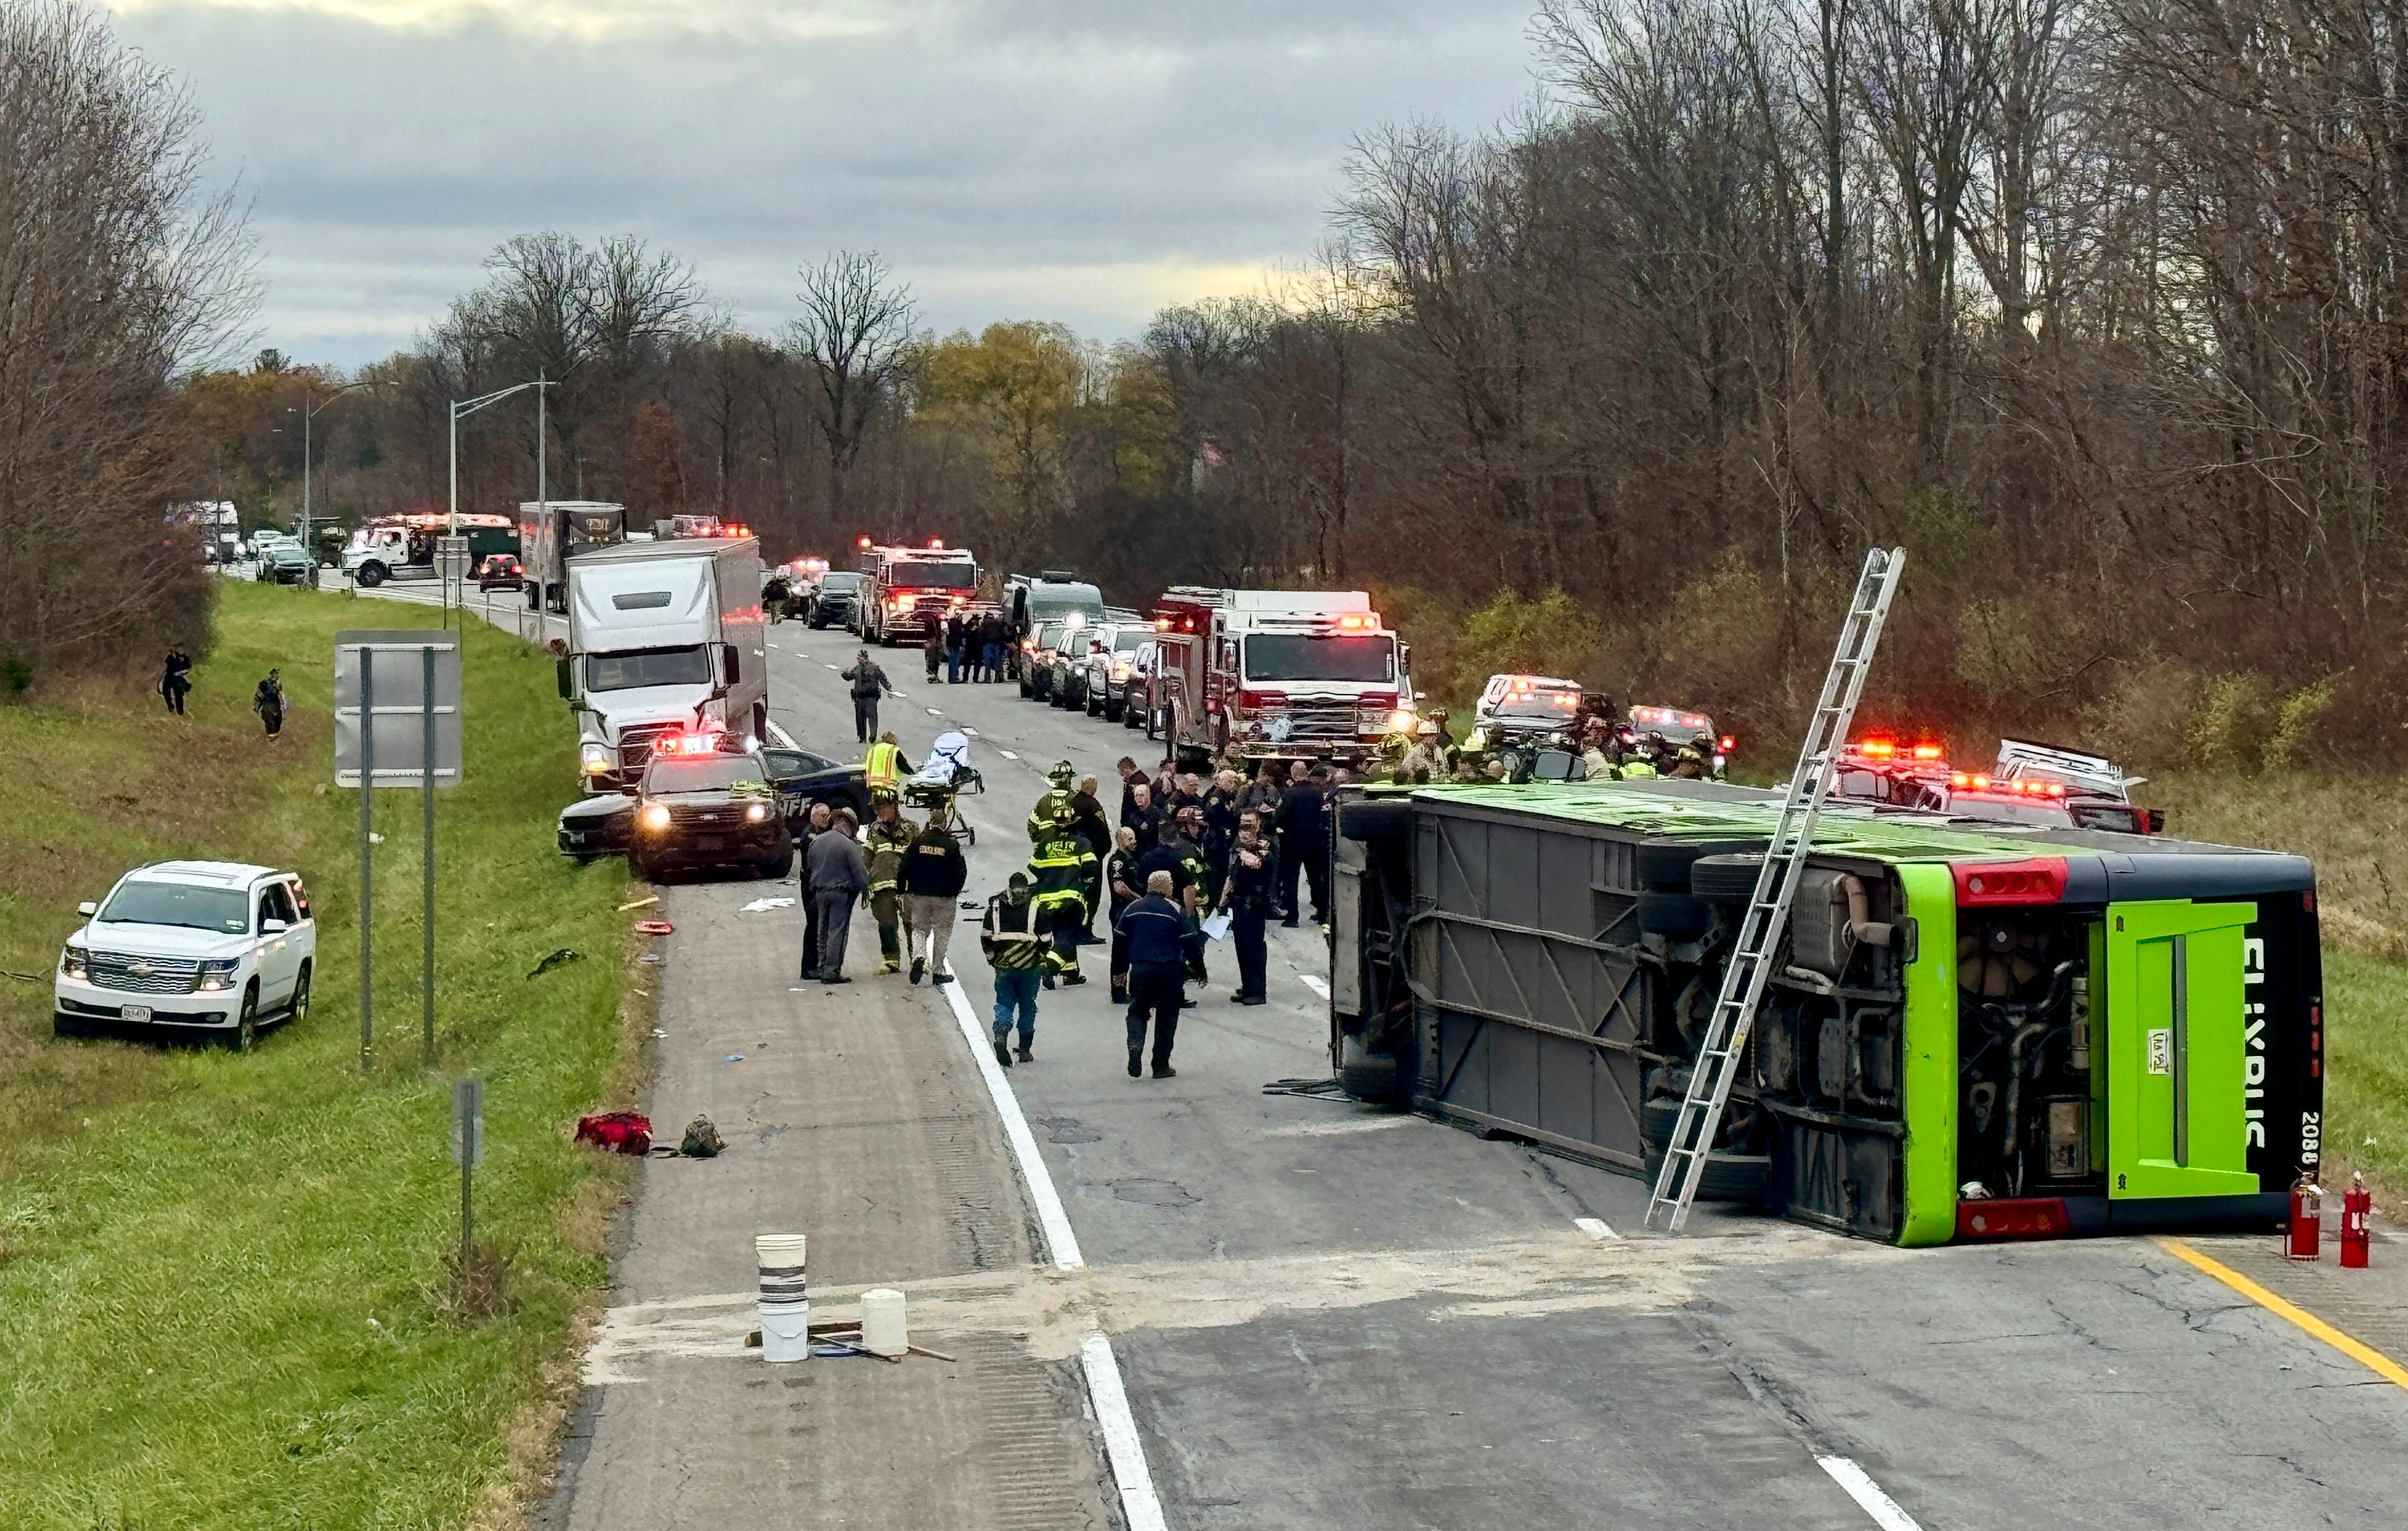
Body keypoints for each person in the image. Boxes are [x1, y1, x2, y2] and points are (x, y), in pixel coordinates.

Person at [1116, 870, 1190, 1079]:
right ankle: (1160, 1066)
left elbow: (1120, 942)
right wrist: (1200, 970)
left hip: (1141, 969)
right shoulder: (1175, 909)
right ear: (1166, 887)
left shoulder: (1132, 909)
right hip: (1169, 971)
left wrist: (1119, 972)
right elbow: (1189, 940)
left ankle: (1136, 1042)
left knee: (1138, 1010)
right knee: (1167, 1017)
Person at [1027, 802, 1096, 985]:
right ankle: (1047, 966)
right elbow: (1092, 867)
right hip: (1070, 899)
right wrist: (1085, 884)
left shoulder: (1045, 843)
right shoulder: (1081, 843)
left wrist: (1051, 877)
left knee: (1060, 934)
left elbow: (1034, 867)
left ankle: (1071, 972)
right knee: (1067, 936)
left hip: (1046, 900)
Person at [981, 872, 1047, 1067]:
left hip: (1004, 967)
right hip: (1030, 968)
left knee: (1004, 1004)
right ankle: (1025, 1051)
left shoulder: (995, 907)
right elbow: (1045, 939)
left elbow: (986, 937)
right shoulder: (1035, 907)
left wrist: (992, 958)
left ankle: (1001, 1035)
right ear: (1026, 887)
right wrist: (1041, 960)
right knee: (1028, 1006)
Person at [900, 805, 968, 984]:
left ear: (929, 823)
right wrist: (955, 891)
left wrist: (902, 890)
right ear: (944, 824)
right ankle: (938, 971)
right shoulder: (952, 845)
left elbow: (904, 866)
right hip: (944, 897)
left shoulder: (916, 843)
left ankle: (919, 956)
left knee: (919, 930)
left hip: (919, 895)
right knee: (942, 933)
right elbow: (961, 871)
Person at [807, 806, 869, 984]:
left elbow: (810, 865)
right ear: (848, 825)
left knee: (822, 930)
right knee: (836, 931)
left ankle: (821, 966)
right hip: (841, 894)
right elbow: (859, 873)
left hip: (820, 892)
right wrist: (865, 889)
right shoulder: (849, 846)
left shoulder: (817, 842)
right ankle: (832, 970)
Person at [1221, 813, 1276, 1005]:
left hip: (1253, 906)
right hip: (1239, 904)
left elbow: (1259, 863)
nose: (1244, 835)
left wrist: (1245, 853)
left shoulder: (1264, 849)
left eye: (1248, 830)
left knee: (1254, 949)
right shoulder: (1240, 848)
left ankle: (1257, 991)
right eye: (1242, 830)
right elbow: (1233, 876)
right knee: (1242, 949)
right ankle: (1248, 987)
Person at [864, 792, 917, 975]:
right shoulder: (873, 829)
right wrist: (865, 881)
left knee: (912, 924)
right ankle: (891, 960)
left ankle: (917, 959)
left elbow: (919, 857)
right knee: (887, 925)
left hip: (907, 886)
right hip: (881, 886)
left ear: (894, 807)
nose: (880, 812)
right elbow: (867, 857)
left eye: (883, 807)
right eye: (877, 809)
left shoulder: (910, 828)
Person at [1276, 764, 1332, 927]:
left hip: (1293, 842)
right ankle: (1322, 914)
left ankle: (1292, 917)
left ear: (1293, 775)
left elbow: (1281, 816)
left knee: (1291, 880)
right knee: (1316, 878)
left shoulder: (1291, 793)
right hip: (1315, 841)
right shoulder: (1318, 792)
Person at [1103, 825, 1144, 1003]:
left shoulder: (1132, 859)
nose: (1134, 842)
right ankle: (1118, 991)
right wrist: (1138, 898)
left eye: (1134, 838)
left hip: (1134, 912)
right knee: (1121, 952)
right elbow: (1119, 887)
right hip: (1122, 913)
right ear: (1120, 841)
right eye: (1129, 839)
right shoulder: (1118, 861)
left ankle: (1136, 989)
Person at [1071, 774, 1113, 939]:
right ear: (1093, 788)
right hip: (1092, 859)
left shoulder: (1072, 803)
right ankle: (1085, 931)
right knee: (1092, 895)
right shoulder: (1092, 806)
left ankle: (1076, 928)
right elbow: (1100, 831)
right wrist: (1103, 850)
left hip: (1075, 858)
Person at [796, 801, 835, 979]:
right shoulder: (809, 835)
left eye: (828, 815)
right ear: (814, 817)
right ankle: (809, 967)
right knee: (814, 926)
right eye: (822, 815)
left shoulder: (826, 833)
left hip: (823, 886)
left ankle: (821, 964)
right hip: (811, 889)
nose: (826, 818)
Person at [842, 649, 895, 742]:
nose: (858, 659)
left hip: (871, 696)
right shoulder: (857, 669)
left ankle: (873, 736)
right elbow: (849, 677)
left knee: (872, 717)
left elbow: (883, 679)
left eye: (859, 657)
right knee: (860, 718)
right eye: (858, 657)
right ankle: (862, 737)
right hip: (859, 697)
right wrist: (844, 674)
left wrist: (889, 689)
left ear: (864, 658)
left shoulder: (874, 668)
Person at [1027, 759, 1078, 843]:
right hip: (1072, 849)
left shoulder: (1044, 802)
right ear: (1069, 780)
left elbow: (1032, 823)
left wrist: (1038, 841)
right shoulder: (1078, 800)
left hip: (1047, 849)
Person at [1120, 780, 1164, 854]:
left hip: (1152, 851)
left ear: (1148, 796)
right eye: (1136, 796)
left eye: (1142, 795)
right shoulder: (1134, 814)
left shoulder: (1156, 814)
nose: (1139, 798)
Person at [865, 730, 911, 796]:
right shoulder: (894, 750)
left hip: (873, 787)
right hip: (888, 788)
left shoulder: (873, 750)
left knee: (876, 805)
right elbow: (905, 768)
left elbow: (868, 767)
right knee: (889, 805)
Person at [252, 669, 286, 741]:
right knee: (270, 718)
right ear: (272, 675)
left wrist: (283, 703)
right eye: (276, 675)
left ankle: (274, 733)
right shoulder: (265, 684)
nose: (277, 677)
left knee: (278, 718)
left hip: (276, 704)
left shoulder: (277, 685)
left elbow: (281, 694)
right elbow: (259, 695)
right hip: (268, 704)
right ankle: (271, 734)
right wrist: (257, 704)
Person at [160, 646, 192, 716]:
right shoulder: (170, 658)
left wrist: (180, 673)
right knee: (166, 691)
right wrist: (162, 676)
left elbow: (188, 669)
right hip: (169, 677)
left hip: (178, 679)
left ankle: (180, 710)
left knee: (179, 695)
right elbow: (166, 668)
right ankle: (170, 706)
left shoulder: (184, 659)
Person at [981, 612, 1007, 683]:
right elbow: (1003, 634)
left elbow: (981, 634)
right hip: (997, 644)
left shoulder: (985, 624)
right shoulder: (998, 624)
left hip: (987, 644)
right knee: (997, 661)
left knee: (987, 661)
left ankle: (987, 678)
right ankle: (997, 678)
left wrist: (982, 642)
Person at [944, 612, 968, 684]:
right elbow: (958, 636)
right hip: (955, 645)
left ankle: (952, 678)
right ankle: (954, 678)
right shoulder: (955, 625)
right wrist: (960, 644)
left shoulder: (951, 624)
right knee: (955, 662)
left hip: (952, 645)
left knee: (952, 662)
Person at [921, 620, 945, 684]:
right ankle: (932, 677)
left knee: (934, 661)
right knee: (932, 660)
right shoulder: (930, 623)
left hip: (933, 642)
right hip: (933, 642)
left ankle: (934, 676)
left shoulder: (933, 622)